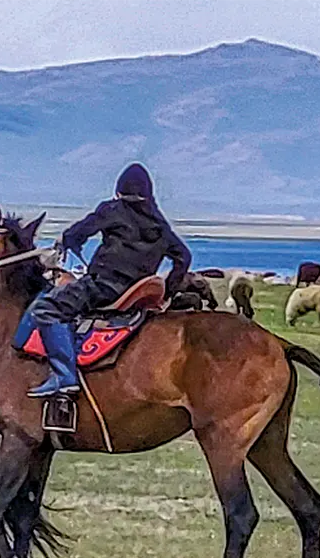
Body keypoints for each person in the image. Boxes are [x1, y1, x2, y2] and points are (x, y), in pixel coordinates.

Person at [17, 163, 192, 398]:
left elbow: (80, 231)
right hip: (135, 293)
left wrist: (69, 239)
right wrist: (168, 293)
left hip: (104, 287)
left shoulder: (113, 209)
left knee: (46, 308)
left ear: (119, 191)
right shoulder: (160, 225)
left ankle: (64, 376)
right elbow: (184, 257)